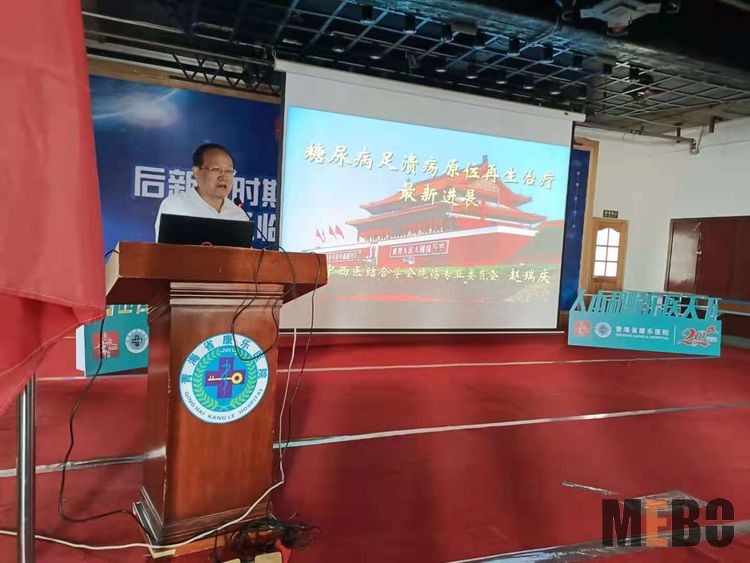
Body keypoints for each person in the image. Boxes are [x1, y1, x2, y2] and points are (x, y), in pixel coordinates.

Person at [154, 143, 249, 240]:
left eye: (229, 171)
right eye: (216, 169)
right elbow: (165, 249)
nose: (223, 177)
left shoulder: (238, 214)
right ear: (196, 172)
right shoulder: (175, 206)